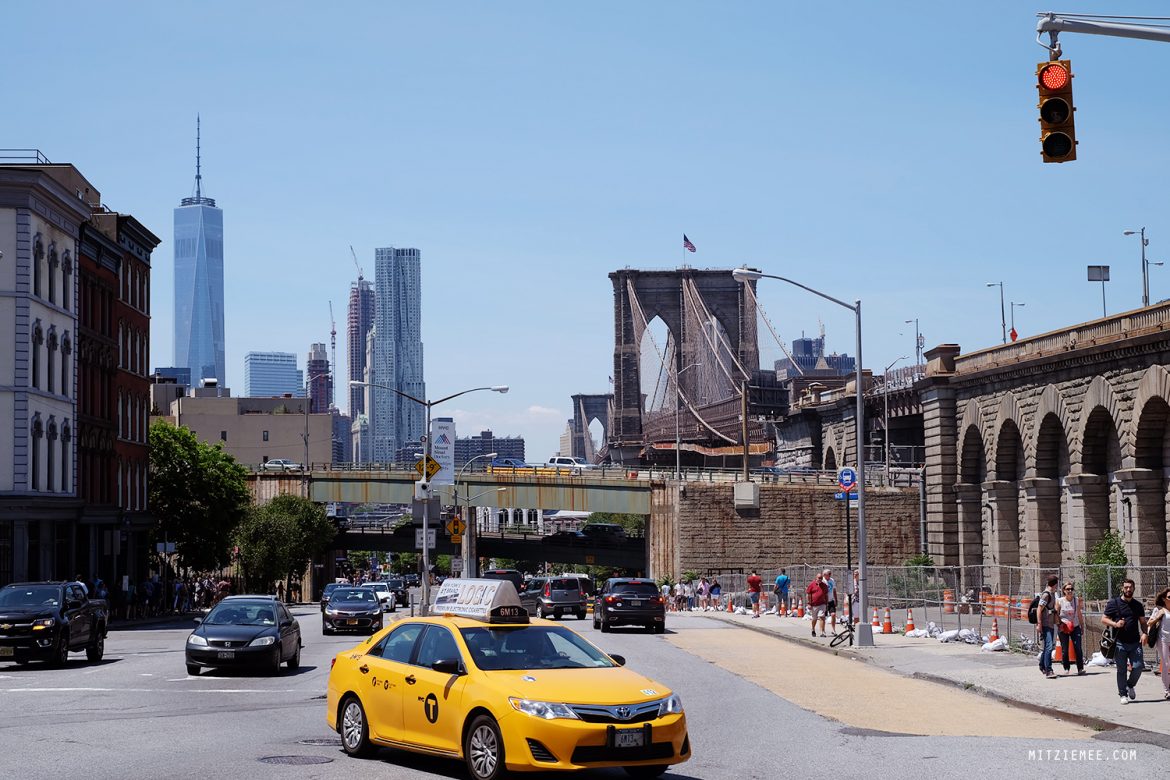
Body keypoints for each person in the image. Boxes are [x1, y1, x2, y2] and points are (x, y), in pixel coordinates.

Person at [1103, 578, 1148, 704]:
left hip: (1135, 642)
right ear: (1122, 589)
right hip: (1119, 643)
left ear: (1134, 588)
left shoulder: (1138, 605)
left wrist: (1145, 633)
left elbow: (1143, 622)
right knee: (1121, 670)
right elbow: (1104, 619)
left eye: (1130, 587)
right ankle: (1122, 694)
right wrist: (1115, 624)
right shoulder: (1114, 603)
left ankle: (1129, 685)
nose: (1128, 589)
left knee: (1138, 667)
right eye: (1126, 587)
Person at [1056, 581, 1086, 676]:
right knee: (1065, 649)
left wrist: (1082, 626)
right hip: (1063, 627)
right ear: (1064, 591)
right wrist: (1059, 624)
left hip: (1075, 626)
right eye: (1067, 589)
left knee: (1078, 647)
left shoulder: (1076, 600)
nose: (1070, 591)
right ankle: (1066, 668)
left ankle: (1080, 668)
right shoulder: (1060, 601)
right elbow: (1056, 614)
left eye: (1071, 589)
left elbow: (1079, 614)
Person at [1147, 587, 1170, 700]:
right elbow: (1149, 622)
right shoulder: (1160, 610)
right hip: (1163, 640)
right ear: (1164, 599)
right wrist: (1158, 617)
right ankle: (1167, 690)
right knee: (1165, 664)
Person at [1037, 574, 1060, 679]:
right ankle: (1048, 670)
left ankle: (1042, 665)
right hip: (1045, 624)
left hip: (1050, 624)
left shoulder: (1052, 593)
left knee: (1047, 646)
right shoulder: (1046, 595)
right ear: (1055, 584)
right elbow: (1039, 609)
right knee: (1050, 646)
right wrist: (1039, 624)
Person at [806, 572, 828, 637]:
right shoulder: (812, 585)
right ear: (816, 578)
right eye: (819, 578)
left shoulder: (824, 585)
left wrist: (826, 603)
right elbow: (808, 595)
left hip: (822, 604)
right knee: (814, 619)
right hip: (814, 604)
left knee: (822, 617)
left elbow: (826, 595)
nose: (820, 579)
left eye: (821, 578)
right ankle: (813, 629)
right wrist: (809, 604)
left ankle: (822, 632)